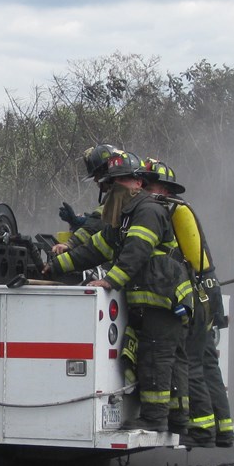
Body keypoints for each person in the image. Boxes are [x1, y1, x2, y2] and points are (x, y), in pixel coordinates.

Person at [46, 151, 193, 431]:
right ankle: (176, 419)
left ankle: (155, 419)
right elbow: (95, 248)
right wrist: (54, 267)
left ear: (138, 182)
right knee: (164, 358)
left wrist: (110, 281)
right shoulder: (124, 218)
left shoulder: (148, 211)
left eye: (121, 181)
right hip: (154, 299)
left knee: (157, 358)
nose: (114, 188)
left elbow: (136, 252)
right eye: (111, 183)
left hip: (164, 299)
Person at [140, 159, 234, 448]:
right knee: (207, 363)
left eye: (148, 184)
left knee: (192, 361)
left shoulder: (169, 212)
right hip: (208, 291)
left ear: (163, 188)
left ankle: (203, 431)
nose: (143, 189)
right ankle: (223, 430)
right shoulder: (182, 211)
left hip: (195, 293)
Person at [50, 143, 118, 258]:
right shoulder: (114, 193)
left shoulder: (119, 194)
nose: (96, 180)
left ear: (106, 172)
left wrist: (70, 244)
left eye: (96, 175)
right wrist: (79, 221)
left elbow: (99, 222)